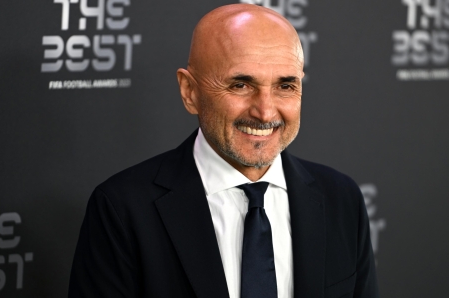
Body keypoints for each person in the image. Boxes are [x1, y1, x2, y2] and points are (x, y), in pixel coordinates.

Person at [69, 4, 378, 298]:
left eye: (285, 86)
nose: (265, 111)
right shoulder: (122, 208)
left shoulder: (342, 199)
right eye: (241, 85)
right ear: (190, 92)